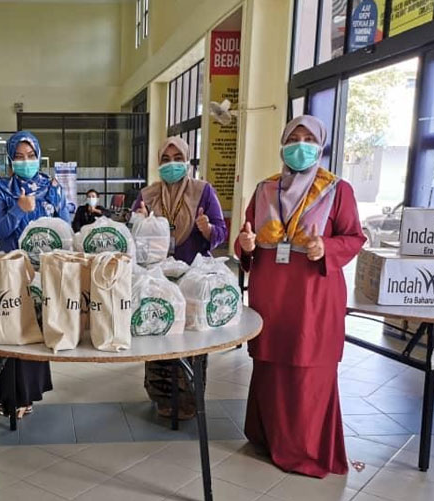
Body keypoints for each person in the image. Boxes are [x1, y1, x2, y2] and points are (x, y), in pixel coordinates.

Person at [236, 115, 365, 478]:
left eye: (309, 138)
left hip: (313, 295)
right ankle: (267, 437)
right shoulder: (265, 188)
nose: (301, 144)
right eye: (294, 137)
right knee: (270, 365)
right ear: (282, 143)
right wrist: (244, 245)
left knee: (308, 366)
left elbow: (354, 237)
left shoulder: (337, 190)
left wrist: (327, 247)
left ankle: (306, 451)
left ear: (321, 144)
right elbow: (246, 239)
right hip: (271, 293)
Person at [132, 136, 228, 420]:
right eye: (165, 159)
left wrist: (208, 228)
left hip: (192, 280)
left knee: (191, 340)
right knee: (157, 333)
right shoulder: (148, 195)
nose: (171, 164)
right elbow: (133, 238)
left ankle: (188, 399)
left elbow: (221, 232)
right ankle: (161, 394)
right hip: (157, 280)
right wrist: (138, 222)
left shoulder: (203, 192)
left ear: (187, 161)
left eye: (177, 159)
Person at [0, 131, 69, 418]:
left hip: (46, 272)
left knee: (37, 330)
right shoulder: (2, 189)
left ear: (39, 156)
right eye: (19, 157)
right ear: (11, 159)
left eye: (31, 156)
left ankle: (28, 394)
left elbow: (66, 228)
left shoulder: (53, 187)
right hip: (14, 270)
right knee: (15, 332)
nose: (26, 161)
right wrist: (19, 209)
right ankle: (12, 397)